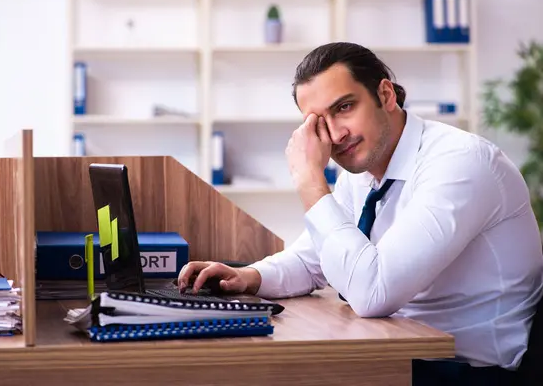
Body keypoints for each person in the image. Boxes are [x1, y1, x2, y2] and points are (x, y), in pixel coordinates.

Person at [177, 42, 543, 385]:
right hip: (398, 350)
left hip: (469, 369)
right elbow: (312, 262)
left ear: (385, 95)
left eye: (344, 107)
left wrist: (310, 180)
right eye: (319, 122)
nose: (335, 134)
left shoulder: (459, 163)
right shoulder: (365, 169)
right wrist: (247, 277)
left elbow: (373, 292)